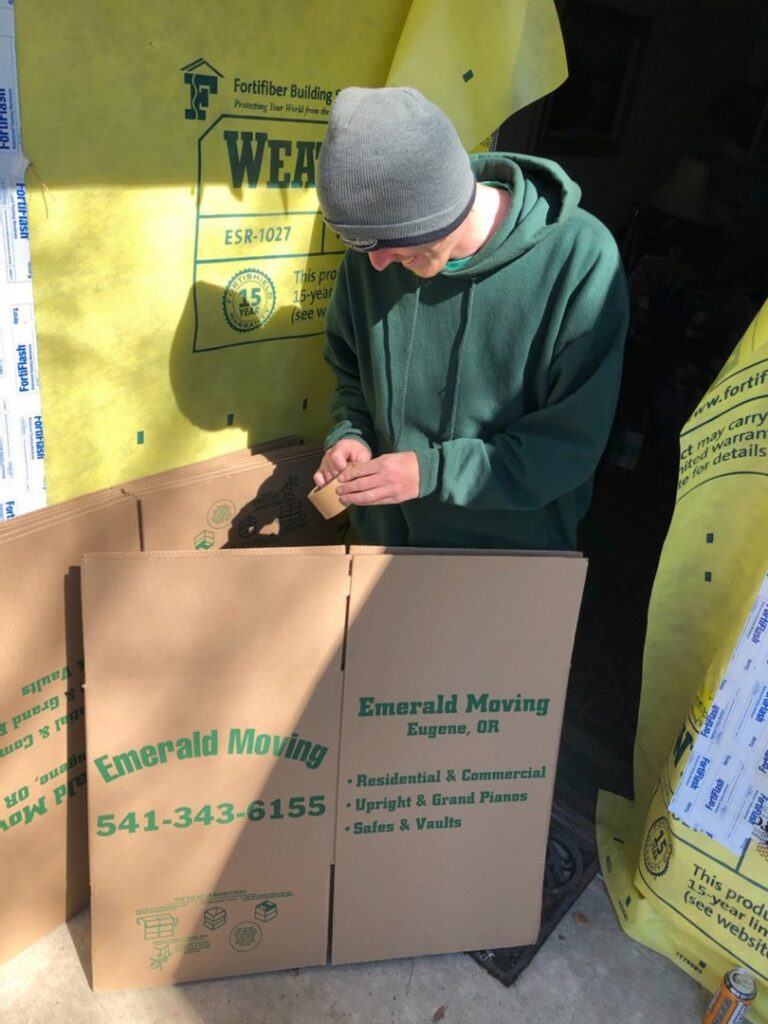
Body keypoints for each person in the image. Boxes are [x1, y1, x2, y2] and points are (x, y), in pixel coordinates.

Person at [312, 86, 629, 550]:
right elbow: (350, 377)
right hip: (384, 543)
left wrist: (433, 473)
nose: (376, 266)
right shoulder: (373, 255)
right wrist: (351, 434)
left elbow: (568, 446)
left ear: (437, 209)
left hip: (507, 555)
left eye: (390, 246)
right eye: (361, 247)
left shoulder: (581, 259)